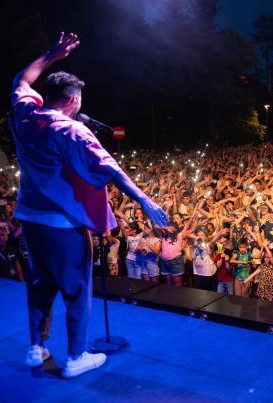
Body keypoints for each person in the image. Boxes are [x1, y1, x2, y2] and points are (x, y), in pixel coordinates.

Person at [10, 33, 168, 378]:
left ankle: (37, 348)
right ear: (73, 100)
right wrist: (145, 201)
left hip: (31, 222)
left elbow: (21, 79)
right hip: (63, 227)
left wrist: (52, 54)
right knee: (77, 291)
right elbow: (111, 170)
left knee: (39, 285)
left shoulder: (25, 115)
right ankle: (76, 357)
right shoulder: (73, 133)